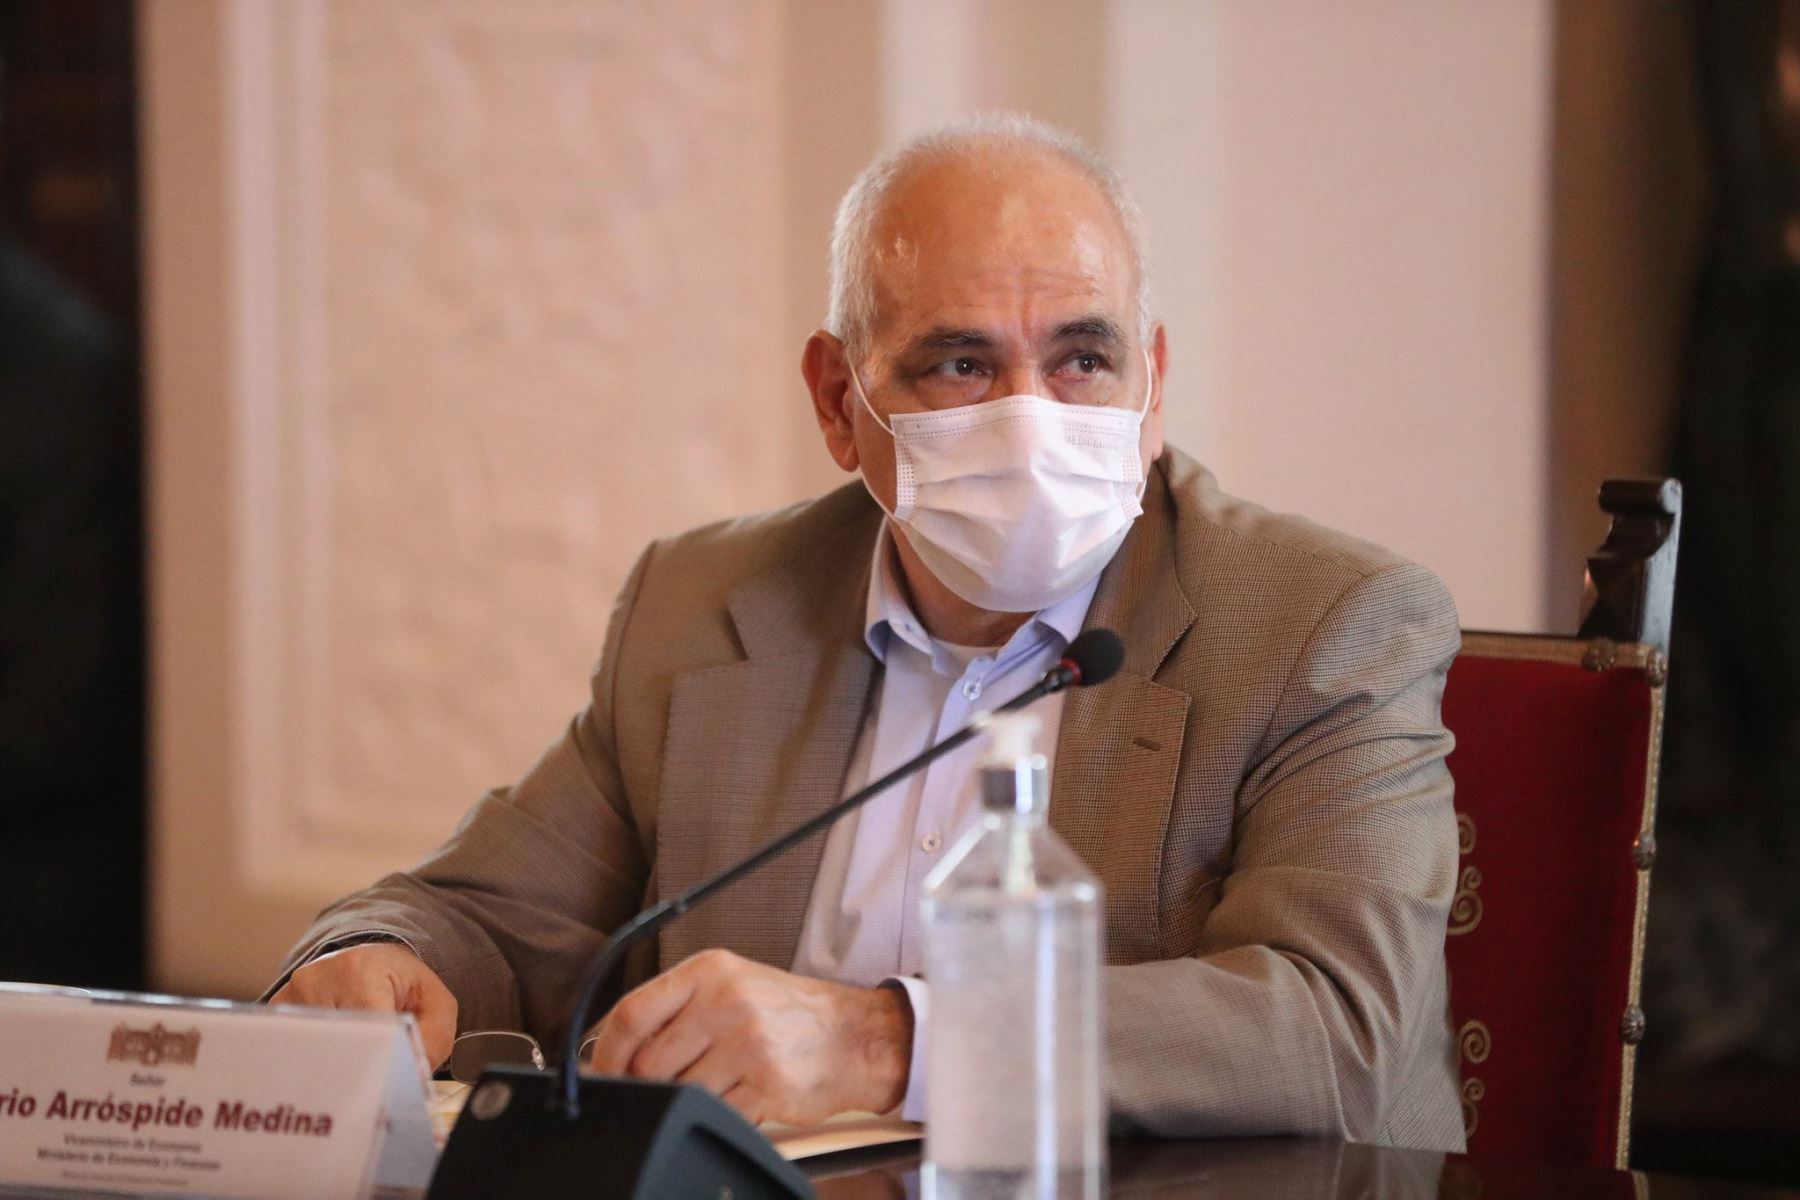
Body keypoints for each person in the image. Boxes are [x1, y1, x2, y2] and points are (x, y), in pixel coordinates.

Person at [269, 114, 1465, 1152]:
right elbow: (487, 917)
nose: (1031, 418)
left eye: (1082, 358)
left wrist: (885, 1041)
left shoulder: (1325, 624)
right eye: (961, 363)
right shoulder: (704, 606)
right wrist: (372, 959)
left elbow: (1338, 1029)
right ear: (841, 403)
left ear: (1149, 385)